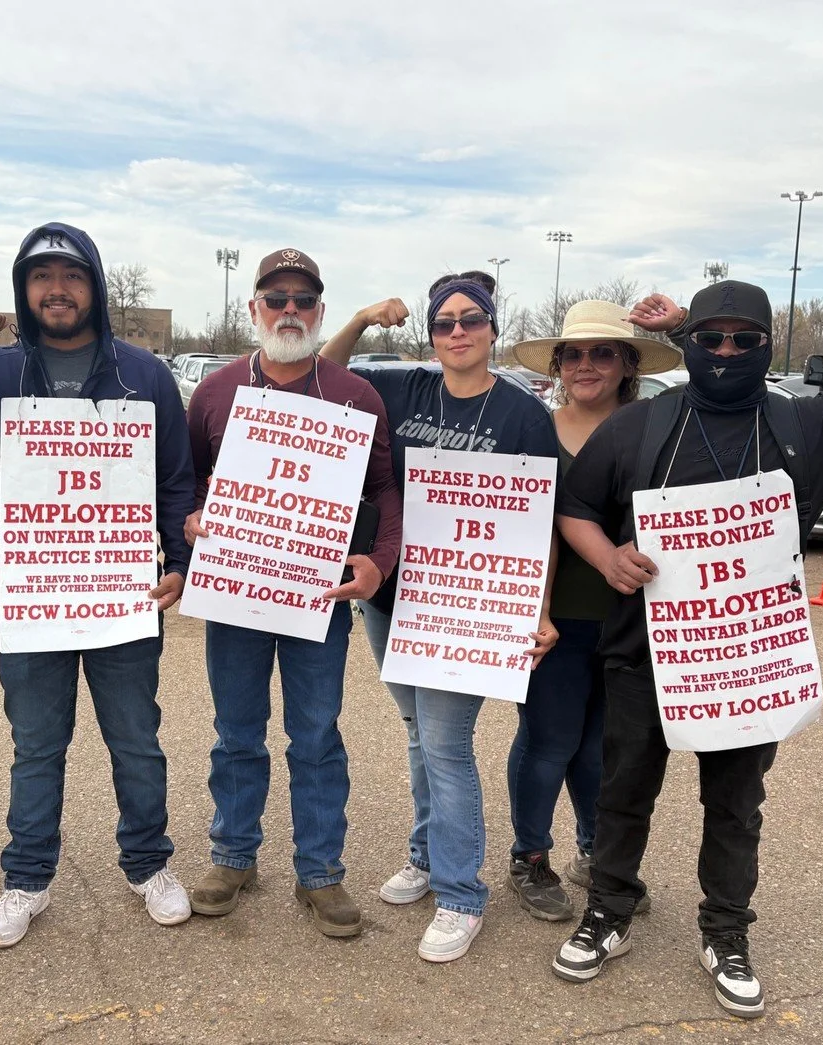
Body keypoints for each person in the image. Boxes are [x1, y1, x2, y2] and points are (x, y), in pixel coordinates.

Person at [550, 281, 823, 1017]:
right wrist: (609, 558)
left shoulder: (809, 422)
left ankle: (727, 931)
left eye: (746, 339)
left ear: (769, 346)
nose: (727, 352)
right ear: (689, 344)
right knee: (623, 793)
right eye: (711, 338)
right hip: (645, 653)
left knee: (735, 805)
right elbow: (575, 507)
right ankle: (608, 911)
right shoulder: (643, 425)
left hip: (749, 659)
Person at [0, 222, 195, 947]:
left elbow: (172, 480)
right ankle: (27, 877)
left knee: (136, 739)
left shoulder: (145, 373)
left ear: (94, 286)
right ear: (24, 288)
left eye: (71, 276)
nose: (57, 289)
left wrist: (177, 561)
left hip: (122, 593)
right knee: (37, 743)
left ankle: (148, 864)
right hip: (36, 596)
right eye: (41, 277)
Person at [317, 271, 557, 961]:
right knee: (417, 729)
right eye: (444, 321)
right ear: (430, 332)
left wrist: (537, 607)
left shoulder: (522, 415)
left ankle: (460, 892)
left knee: (447, 743)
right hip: (393, 600)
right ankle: (425, 855)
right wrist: (362, 317)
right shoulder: (403, 388)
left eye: (470, 319)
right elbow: (320, 379)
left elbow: (536, 523)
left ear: (492, 328)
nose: (457, 331)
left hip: (466, 607)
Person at [186, 249, 402, 940]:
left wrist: (378, 561)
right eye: (275, 297)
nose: (288, 310)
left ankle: (321, 871)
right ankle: (233, 855)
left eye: (303, 300)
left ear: (320, 312)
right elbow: (188, 479)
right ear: (253, 308)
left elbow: (384, 490)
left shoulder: (354, 395)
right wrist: (190, 520)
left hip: (320, 595)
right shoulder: (217, 391)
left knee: (315, 734)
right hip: (238, 593)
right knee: (236, 732)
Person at [504, 301, 679, 922]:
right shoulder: (535, 430)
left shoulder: (656, 427)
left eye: (603, 352)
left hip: (635, 616)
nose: (586, 365)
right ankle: (529, 855)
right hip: (552, 615)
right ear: (556, 366)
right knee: (549, 739)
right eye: (573, 354)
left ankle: (594, 851)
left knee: (606, 748)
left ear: (628, 363)